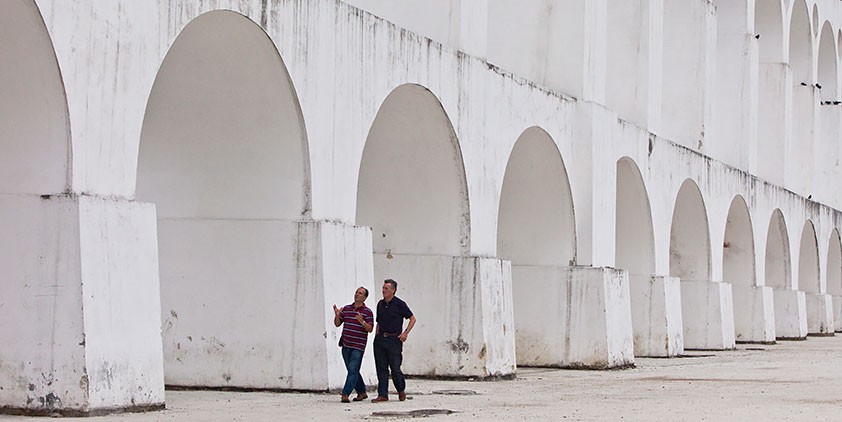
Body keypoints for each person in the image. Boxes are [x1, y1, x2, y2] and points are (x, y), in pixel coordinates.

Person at [371, 279, 416, 403]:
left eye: (386, 288)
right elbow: (378, 322)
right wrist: (376, 337)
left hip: (394, 340)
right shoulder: (380, 304)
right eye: (383, 288)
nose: (383, 290)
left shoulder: (399, 304)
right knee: (381, 368)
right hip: (380, 339)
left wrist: (405, 333)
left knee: (395, 368)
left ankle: (401, 390)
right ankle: (383, 394)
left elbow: (412, 318)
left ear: (393, 290)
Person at [333, 286, 375, 403]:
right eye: (356, 292)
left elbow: (370, 329)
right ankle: (362, 392)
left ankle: (345, 393)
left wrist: (361, 321)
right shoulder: (346, 309)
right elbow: (337, 324)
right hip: (346, 345)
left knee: (352, 369)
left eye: (360, 293)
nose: (357, 294)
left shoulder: (367, 312)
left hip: (358, 346)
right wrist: (337, 315)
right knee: (353, 370)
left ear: (365, 297)